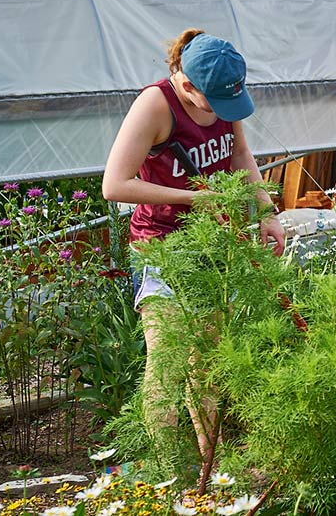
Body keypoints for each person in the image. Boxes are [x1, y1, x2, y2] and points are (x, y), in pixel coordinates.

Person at [102, 28, 285, 458]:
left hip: (212, 246)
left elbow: (239, 154)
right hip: (162, 249)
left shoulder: (222, 94)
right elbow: (114, 184)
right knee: (165, 364)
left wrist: (266, 212)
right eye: (214, 103)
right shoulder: (155, 105)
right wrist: (192, 197)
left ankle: (208, 467)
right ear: (186, 84)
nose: (223, 111)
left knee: (206, 364)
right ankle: (165, 474)